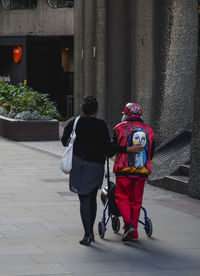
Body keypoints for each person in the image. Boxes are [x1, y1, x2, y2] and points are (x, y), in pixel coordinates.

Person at [61, 96, 143, 246]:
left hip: (79, 164)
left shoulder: (75, 122)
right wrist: (128, 149)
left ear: (83, 108)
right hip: (96, 166)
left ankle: (88, 234)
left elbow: (64, 140)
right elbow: (109, 149)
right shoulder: (101, 125)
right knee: (92, 197)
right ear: (96, 110)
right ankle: (90, 233)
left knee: (84, 199)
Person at [113, 103, 155, 242]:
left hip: (124, 170)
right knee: (136, 201)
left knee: (121, 197)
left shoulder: (119, 128)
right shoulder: (149, 130)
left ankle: (129, 224)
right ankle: (134, 233)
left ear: (125, 114)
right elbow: (151, 153)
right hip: (142, 171)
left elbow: (114, 147)